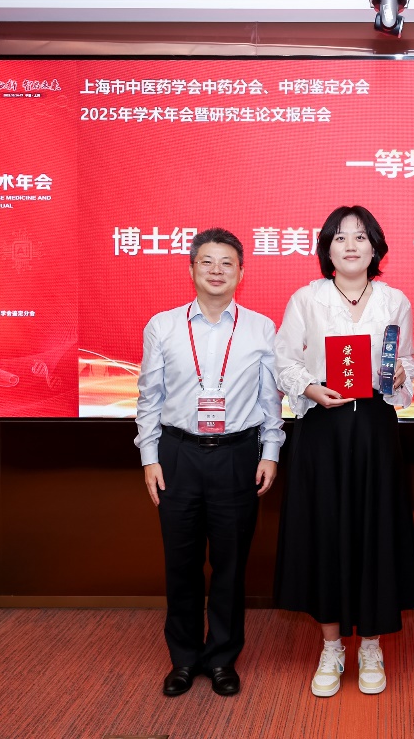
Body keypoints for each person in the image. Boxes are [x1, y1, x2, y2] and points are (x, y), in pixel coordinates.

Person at [273, 205, 414, 697]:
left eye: (361, 237)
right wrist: (309, 388)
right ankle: (332, 646)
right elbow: (283, 360)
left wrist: (399, 376)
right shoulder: (307, 299)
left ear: (376, 247)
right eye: (340, 238)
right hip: (324, 429)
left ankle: (372, 645)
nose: (351, 245)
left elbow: (406, 362)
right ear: (327, 249)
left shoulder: (395, 300)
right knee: (326, 531)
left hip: (375, 429)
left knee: (376, 530)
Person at [134, 228, 284, 698]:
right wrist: (149, 457)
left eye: (227, 263)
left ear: (241, 272)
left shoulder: (261, 328)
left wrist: (270, 451)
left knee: (230, 564)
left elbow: (270, 399)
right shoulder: (163, 326)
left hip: (238, 455)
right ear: (192, 269)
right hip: (178, 455)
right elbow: (149, 397)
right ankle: (183, 659)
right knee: (180, 563)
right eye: (207, 262)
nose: (217, 271)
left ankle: (221, 658)